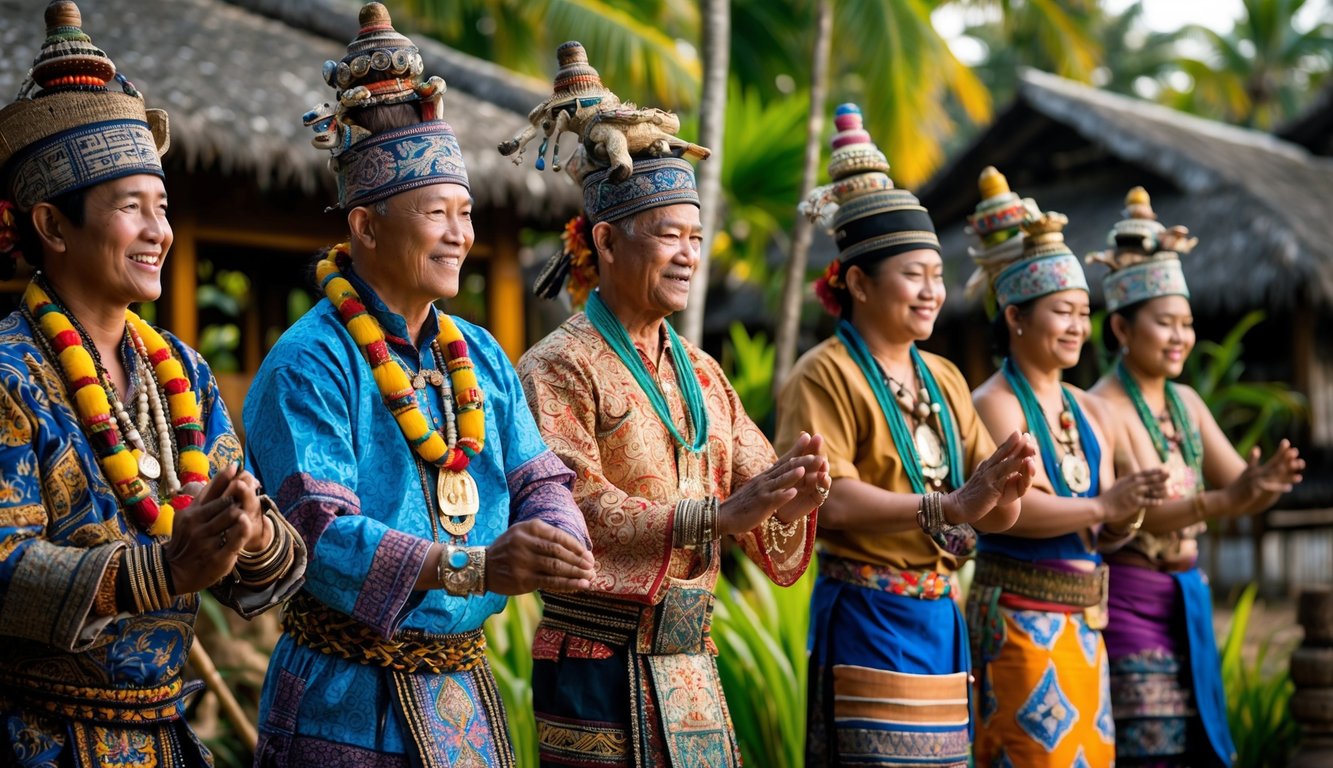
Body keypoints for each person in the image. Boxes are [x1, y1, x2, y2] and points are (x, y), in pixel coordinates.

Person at [243, 6, 595, 766]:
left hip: (461, 698)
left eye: (464, 213)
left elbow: (539, 476)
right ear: (366, 227)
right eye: (435, 212)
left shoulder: (479, 353)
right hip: (341, 700)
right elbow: (317, 528)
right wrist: (472, 566)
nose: (459, 235)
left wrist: (556, 534)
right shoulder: (311, 361)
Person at [0, 3, 306, 765]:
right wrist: (167, 569)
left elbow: (259, 568)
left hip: (167, 738)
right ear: (53, 224)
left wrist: (248, 530)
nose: (157, 231)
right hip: (33, 739)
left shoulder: (183, 373)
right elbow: (3, 569)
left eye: (162, 208)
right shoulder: (8, 372)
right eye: (129, 207)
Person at [513, 42, 828, 768]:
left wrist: (796, 492)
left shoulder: (701, 373)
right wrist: (714, 516)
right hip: (594, 659)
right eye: (667, 235)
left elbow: (758, 492)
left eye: (695, 236)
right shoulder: (556, 366)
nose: (688, 254)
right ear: (606, 241)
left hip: (690, 662)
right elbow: (569, 507)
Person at [774, 105, 1038, 768]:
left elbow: (989, 507)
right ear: (857, 282)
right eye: (912, 275)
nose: (930, 292)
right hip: (868, 613)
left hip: (939, 618)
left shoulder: (944, 376)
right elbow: (826, 502)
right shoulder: (823, 373)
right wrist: (947, 507)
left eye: (937, 275)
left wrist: (1006, 488)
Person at [1087, 187, 1305, 767]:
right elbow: (1127, 513)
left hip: (1187, 594)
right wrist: (1227, 499)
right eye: (1165, 323)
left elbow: (1239, 487)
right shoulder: (1099, 406)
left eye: (1186, 323)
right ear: (1123, 330)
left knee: (1193, 749)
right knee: (1148, 746)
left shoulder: (1185, 402)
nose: (1181, 336)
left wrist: (1265, 483)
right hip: (1129, 595)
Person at [964, 167, 1169, 766]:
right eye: (1062, 311)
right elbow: (1018, 510)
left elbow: (1099, 522)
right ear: (1017, 317)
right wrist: (1108, 505)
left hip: (1084, 624)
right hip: (1018, 622)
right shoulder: (994, 401)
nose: (1078, 326)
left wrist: (1126, 512)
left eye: (1083, 312)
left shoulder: (1089, 409)